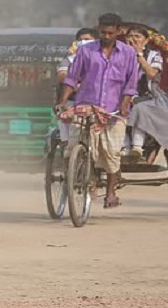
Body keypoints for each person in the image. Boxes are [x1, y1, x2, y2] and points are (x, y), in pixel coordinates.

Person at [56, 13, 139, 209]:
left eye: (111, 33)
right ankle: (84, 178)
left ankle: (110, 193)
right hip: (86, 105)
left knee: (111, 154)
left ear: (118, 31)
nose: (107, 36)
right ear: (98, 30)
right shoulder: (86, 52)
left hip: (113, 110)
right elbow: (71, 79)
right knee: (76, 146)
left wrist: (124, 105)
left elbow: (130, 84)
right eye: (103, 32)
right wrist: (63, 101)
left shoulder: (128, 53)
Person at [55, 28, 99, 150]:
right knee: (64, 115)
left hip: (96, 100)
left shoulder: (102, 57)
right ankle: (66, 145)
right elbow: (62, 75)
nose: (83, 42)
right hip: (74, 99)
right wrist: (75, 83)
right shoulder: (70, 59)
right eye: (80, 40)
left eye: (87, 39)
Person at [127, 30, 168, 159]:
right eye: (130, 36)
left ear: (145, 40)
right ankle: (124, 147)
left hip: (149, 96)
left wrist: (138, 54)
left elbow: (151, 74)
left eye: (137, 36)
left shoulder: (153, 55)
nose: (133, 39)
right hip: (122, 95)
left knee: (141, 108)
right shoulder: (118, 54)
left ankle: (136, 146)